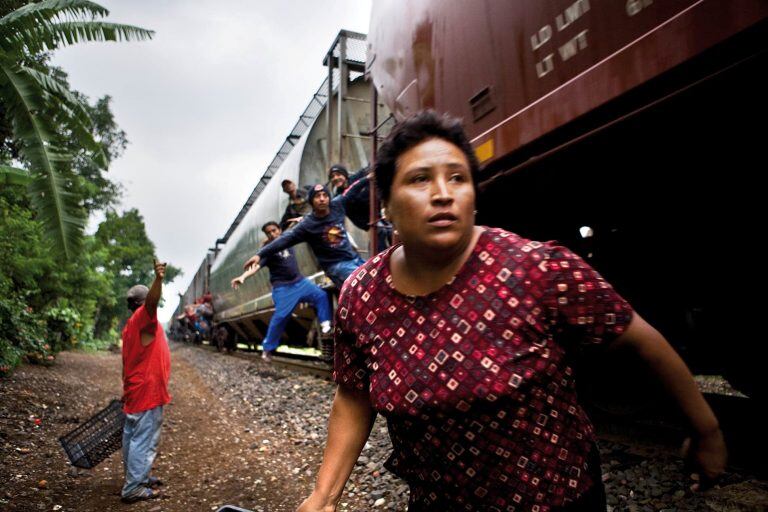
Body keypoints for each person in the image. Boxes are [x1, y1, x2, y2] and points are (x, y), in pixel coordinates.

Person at [297, 111, 726, 511]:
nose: (443, 194)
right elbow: (354, 395)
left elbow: (640, 340)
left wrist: (706, 431)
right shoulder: (363, 296)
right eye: (420, 179)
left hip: (555, 501)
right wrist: (323, 495)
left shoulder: (536, 268)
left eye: (458, 178)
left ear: (474, 197)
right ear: (386, 206)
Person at [233, 221, 333, 360]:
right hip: (283, 288)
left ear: (279, 230)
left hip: (300, 282)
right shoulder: (268, 250)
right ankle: (267, 348)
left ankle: (326, 327)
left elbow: (294, 228)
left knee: (321, 296)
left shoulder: (287, 238)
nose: (272, 234)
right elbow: (255, 266)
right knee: (280, 317)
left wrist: (300, 220)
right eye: (269, 233)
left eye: (274, 230)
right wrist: (243, 277)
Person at [243, 184, 365, 290]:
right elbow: (284, 240)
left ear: (329, 198)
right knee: (361, 286)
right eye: (317, 196)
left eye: (324, 195)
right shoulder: (307, 225)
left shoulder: (337, 205)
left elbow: (352, 190)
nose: (322, 199)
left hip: (354, 258)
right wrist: (259, 254)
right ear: (311, 201)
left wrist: (368, 177)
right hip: (337, 267)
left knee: (376, 279)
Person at [121, 260, 170, 503]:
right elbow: (151, 303)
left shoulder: (130, 327)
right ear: (141, 305)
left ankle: (136, 477)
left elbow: (129, 361)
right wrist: (158, 280)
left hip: (135, 390)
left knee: (132, 437)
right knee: (144, 438)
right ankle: (133, 488)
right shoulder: (143, 318)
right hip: (147, 392)